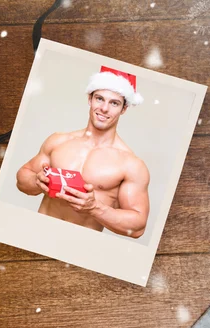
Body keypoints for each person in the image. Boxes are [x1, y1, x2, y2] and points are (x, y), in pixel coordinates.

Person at [16, 66, 150, 238]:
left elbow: (138, 226)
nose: (104, 108)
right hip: (37, 234)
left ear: (124, 109)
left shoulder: (130, 164)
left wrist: (95, 208)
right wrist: (36, 181)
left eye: (114, 103)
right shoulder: (59, 141)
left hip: (80, 246)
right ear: (90, 99)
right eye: (99, 99)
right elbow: (22, 178)